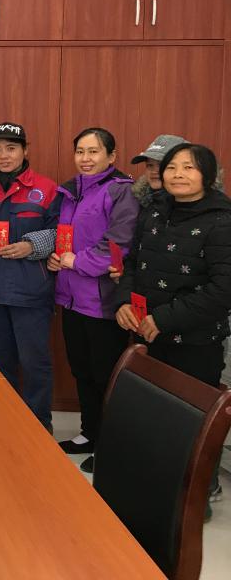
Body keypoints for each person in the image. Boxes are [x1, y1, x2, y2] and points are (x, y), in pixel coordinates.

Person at [115, 143, 230, 505]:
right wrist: (123, 301)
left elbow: (223, 289)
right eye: (172, 167)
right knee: (152, 417)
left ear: (208, 175)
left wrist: (163, 319)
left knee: (193, 421)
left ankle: (196, 498)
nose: (178, 174)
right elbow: (132, 263)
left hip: (194, 342)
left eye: (189, 167)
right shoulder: (154, 211)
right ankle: (156, 492)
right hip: (147, 334)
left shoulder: (222, 220)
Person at [48, 128, 138, 472]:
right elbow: (65, 239)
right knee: (82, 370)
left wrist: (75, 261)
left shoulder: (121, 191)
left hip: (103, 301)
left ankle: (110, 446)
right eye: (80, 152)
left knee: (106, 377)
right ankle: (89, 433)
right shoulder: (70, 190)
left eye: (94, 151)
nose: (85, 159)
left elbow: (117, 244)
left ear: (111, 156)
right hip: (71, 297)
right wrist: (57, 258)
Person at [0, 122, 60, 431]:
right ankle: (2, 423)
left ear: (25, 151)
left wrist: (32, 245)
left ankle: (38, 426)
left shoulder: (46, 188)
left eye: (11, 148)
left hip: (30, 289)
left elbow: (61, 231)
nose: (4, 155)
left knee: (34, 362)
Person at [129, 134, 187, 217]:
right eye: (150, 165)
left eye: (162, 165)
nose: (154, 171)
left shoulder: (190, 206)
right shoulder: (138, 200)